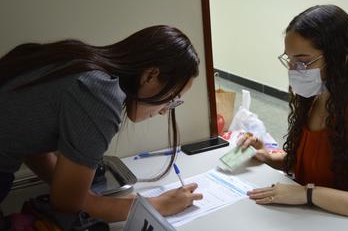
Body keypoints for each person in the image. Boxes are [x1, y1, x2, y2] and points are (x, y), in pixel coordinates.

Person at [0, 25, 203, 222]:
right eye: (171, 98)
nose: (164, 110)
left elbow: (31, 141)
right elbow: (67, 203)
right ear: (150, 75)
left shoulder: (77, 60)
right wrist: (156, 206)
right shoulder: (99, 93)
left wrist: (77, 191)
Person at [240, 5, 348, 230]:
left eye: (303, 61)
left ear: (341, 58)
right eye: (290, 61)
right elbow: (319, 164)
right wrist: (268, 157)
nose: (294, 70)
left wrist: (309, 194)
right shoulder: (315, 100)